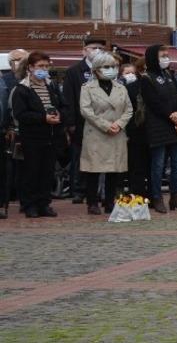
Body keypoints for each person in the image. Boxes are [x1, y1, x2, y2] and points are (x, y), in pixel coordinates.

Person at [10, 52, 66, 218]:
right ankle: (29, 205)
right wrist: (43, 118)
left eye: (47, 66)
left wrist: (60, 115)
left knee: (47, 172)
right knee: (31, 172)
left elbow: (63, 105)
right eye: (40, 66)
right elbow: (21, 114)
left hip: (51, 136)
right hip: (32, 137)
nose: (44, 69)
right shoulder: (22, 89)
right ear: (30, 67)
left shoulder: (52, 86)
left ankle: (44, 203)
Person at [78, 51, 133, 216]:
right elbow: (86, 111)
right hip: (96, 133)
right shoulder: (87, 88)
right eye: (106, 67)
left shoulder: (121, 88)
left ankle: (109, 201)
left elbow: (129, 109)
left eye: (113, 66)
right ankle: (92, 202)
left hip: (117, 133)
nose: (111, 70)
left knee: (113, 170)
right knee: (94, 170)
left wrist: (119, 124)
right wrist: (106, 125)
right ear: (96, 69)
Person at [141, 44, 177, 213]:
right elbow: (153, 102)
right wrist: (170, 115)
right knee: (158, 165)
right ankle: (157, 197)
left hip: (175, 125)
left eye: (167, 55)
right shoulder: (147, 78)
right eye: (162, 56)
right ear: (153, 58)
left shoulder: (169, 75)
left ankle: (175, 196)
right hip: (158, 125)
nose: (166, 58)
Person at [62, 37, 107, 203]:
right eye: (94, 48)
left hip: (103, 122)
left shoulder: (107, 69)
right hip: (82, 122)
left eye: (101, 48)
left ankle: (98, 191)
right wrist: (70, 123)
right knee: (80, 157)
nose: (98, 51)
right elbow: (68, 98)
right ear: (85, 50)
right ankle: (79, 190)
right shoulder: (74, 71)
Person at [121, 60, 150, 201]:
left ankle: (150, 194)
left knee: (150, 165)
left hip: (151, 131)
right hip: (135, 130)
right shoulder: (130, 88)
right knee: (136, 165)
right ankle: (137, 195)